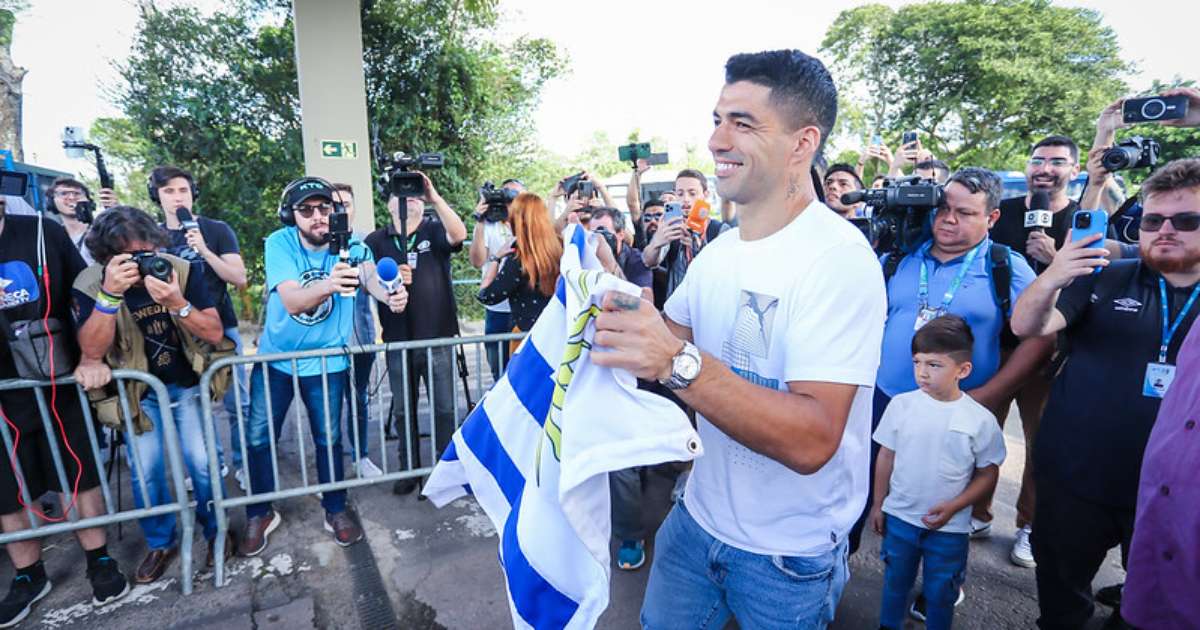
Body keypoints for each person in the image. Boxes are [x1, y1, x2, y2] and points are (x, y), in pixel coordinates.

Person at [594, 49, 886, 628]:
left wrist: (675, 362)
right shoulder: (720, 251)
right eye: (717, 119)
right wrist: (603, 306)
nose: (716, 141)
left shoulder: (838, 259)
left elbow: (812, 440)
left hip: (787, 557)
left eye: (743, 123)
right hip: (695, 521)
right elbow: (664, 338)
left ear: (803, 143)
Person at [1010, 157, 1200, 630]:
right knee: (1061, 591)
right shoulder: (1107, 274)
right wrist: (1054, 274)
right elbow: (1027, 325)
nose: (1165, 230)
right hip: (1076, 476)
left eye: (1186, 220)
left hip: (1173, 489)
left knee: (1155, 598)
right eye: (1153, 221)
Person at [849, 169, 1047, 577]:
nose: (948, 219)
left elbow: (1042, 338)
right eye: (942, 208)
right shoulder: (899, 258)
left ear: (992, 217)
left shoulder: (1005, 266)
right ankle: (837, 569)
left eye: (965, 213)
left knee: (946, 511)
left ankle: (938, 588)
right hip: (886, 401)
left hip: (959, 412)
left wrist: (991, 394)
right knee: (860, 492)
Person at [239, 177, 407, 556]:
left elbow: (372, 282)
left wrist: (392, 297)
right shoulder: (279, 243)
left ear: (336, 211)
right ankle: (260, 512)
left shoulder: (355, 246)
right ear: (291, 215)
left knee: (329, 439)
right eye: (307, 209)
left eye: (324, 208)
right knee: (259, 437)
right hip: (276, 360)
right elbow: (293, 301)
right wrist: (331, 284)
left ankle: (335, 508)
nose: (317, 216)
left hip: (328, 361)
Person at [73, 206, 234, 584]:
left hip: (186, 385)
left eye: (148, 252)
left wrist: (178, 303)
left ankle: (217, 532)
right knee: (146, 474)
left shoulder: (179, 269)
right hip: (137, 393)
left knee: (203, 464)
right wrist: (110, 295)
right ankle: (160, 542)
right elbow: (91, 351)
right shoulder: (90, 282)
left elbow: (214, 332)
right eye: (129, 257)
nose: (143, 262)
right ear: (106, 257)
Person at [0, 198, 129, 624]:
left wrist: (93, 357)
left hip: (60, 380)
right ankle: (28, 575)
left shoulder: (43, 231)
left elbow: (85, 294)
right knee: (7, 491)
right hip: (3, 397)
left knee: (79, 475)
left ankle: (99, 559)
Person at [871, 315, 1006, 630]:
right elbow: (886, 456)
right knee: (894, 583)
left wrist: (956, 506)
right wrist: (878, 504)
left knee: (941, 593)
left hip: (949, 528)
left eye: (934, 365)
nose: (922, 372)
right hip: (900, 518)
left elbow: (988, 473)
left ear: (963, 370)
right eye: (917, 362)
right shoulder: (901, 405)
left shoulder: (980, 420)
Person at [363, 175, 467, 496]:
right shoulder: (375, 241)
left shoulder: (433, 230)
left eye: (416, 196)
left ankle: (446, 469)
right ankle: (408, 468)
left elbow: (459, 235)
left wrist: (434, 196)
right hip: (398, 339)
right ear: (388, 204)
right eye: (402, 195)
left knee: (445, 408)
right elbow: (368, 280)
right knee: (403, 409)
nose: (410, 200)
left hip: (438, 337)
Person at [149, 166, 251, 490]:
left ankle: (245, 465)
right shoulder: (152, 236)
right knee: (195, 406)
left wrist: (204, 250)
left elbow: (239, 278)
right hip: (177, 335)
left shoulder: (216, 230)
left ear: (193, 193)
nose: (177, 197)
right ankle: (209, 464)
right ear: (157, 196)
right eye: (168, 191)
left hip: (222, 330)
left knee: (238, 403)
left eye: (183, 190)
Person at [331, 183, 383, 479]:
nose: (341, 210)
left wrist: (390, 294)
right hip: (326, 345)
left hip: (361, 338)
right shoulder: (313, 244)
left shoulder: (363, 244)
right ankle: (331, 467)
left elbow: (372, 281)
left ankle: (360, 456)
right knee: (327, 408)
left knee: (358, 400)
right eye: (334, 205)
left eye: (346, 205)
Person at [477, 192, 562, 337]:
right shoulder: (561, 247)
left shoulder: (520, 260)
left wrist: (496, 258)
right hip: (557, 333)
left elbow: (486, 295)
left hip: (528, 338)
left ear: (516, 222)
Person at [641, 168, 726, 305]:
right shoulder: (670, 228)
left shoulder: (719, 230)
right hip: (677, 309)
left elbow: (726, 273)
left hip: (711, 305)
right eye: (680, 194)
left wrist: (699, 251)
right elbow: (648, 262)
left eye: (692, 193)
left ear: (705, 195)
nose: (686, 199)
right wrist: (657, 242)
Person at [468, 179, 524, 382]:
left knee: (523, 372)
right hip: (497, 309)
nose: (512, 200)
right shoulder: (489, 224)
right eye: (507, 194)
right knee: (498, 371)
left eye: (517, 196)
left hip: (525, 309)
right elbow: (477, 261)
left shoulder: (529, 224)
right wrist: (480, 221)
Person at [589, 206, 651, 288]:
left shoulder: (637, 261)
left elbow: (641, 295)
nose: (599, 240)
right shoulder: (588, 256)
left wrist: (610, 265)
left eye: (603, 233)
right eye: (593, 234)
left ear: (621, 234)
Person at [44, 178, 101, 265]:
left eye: (77, 193)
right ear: (51, 201)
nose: (71, 197)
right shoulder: (52, 237)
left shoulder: (102, 231)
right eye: (64, 193)